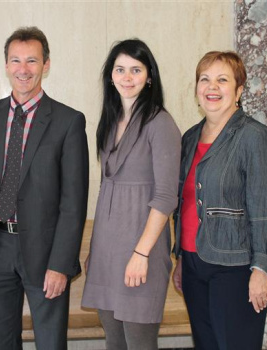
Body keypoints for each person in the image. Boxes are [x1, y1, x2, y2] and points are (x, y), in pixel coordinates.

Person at [0, 26, 89, 350]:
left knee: (49, 343)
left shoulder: (68, 122)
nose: (23, 70)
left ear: (46, 64)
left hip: (45, 252)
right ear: (6, 65)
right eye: (16, 61)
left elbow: (73, 203)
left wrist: (61, 264)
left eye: (32, 61)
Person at [172, 51, 267, 350]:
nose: (212, 87)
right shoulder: (190, 138)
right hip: (194, 265)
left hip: (235, 270)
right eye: (205, 79)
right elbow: (185, 205)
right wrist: (180, 256)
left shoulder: (255, 137)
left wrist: (262, 269)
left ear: (239, 90)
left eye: (222, 80)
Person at [82, 39, 181, 350]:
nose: (127, 77)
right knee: (114, 342)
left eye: (135, 70)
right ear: (110, 76)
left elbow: (165, 197)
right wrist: (95, 249)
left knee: (138, 344)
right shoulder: (110, 123)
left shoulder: (160, 123)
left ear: (149, 76)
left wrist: (141, 255)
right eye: (120, 69)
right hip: (107, 252)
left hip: (141, 253)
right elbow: (106, 189)